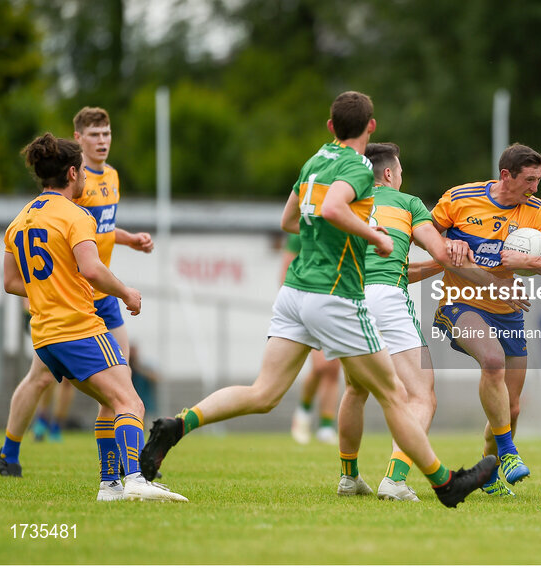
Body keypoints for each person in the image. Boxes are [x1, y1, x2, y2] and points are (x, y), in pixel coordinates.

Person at [139, 91, 495, 508]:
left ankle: (176, 426)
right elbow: (332, 209)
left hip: (295, 292)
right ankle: (445, 483)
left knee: (264, 393)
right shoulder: (358, 166)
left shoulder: (315, 162)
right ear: (371, 127)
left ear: (330, 127)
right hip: (334, 295)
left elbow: (289, 219)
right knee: (396, 395)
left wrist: (339, 231)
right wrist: (374, 235)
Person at [0, 132, 185, 502]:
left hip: (45, 335)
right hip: (78, 327)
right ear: (71, 173)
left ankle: (110, 486)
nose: (85, 177)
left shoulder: (19, 220)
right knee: (131, 402)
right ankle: (134, 480)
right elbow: (93, 270)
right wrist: (127, 292)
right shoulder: (75, 215)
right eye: (81, 171)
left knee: (110, 402)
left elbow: (11, 282)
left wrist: (50, 288)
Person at [335, 142, 526, 502]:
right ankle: (395, 479)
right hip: (387, 299)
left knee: (356, 389)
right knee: (422, 395)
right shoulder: (407, 203)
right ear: (390, 173)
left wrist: (442, 261)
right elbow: (443, 255)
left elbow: (419, 265)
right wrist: (494, 282)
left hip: (345, 298)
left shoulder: (345, 204)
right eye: (401, 171)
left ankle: (348, 477)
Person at [431, 143, 541, 497]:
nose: (535, 188)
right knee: (493, 361)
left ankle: (487, 474)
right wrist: (448, 246)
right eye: (529, 180)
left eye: (539, 180)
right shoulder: (460, 198)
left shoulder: (537, 211)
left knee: (511, 408)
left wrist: (529, 263)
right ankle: (510, 454)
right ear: (505, 176)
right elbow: (424, 233)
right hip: (460, 302)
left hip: (509, 312)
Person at [280, 233, 341, 445]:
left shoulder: (340, 229)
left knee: (333, 368)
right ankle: (303, 413)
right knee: (320, 366)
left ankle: (326, 425)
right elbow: (285, 272)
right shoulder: (301, 232)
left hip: (336, 305)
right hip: (308, 306)